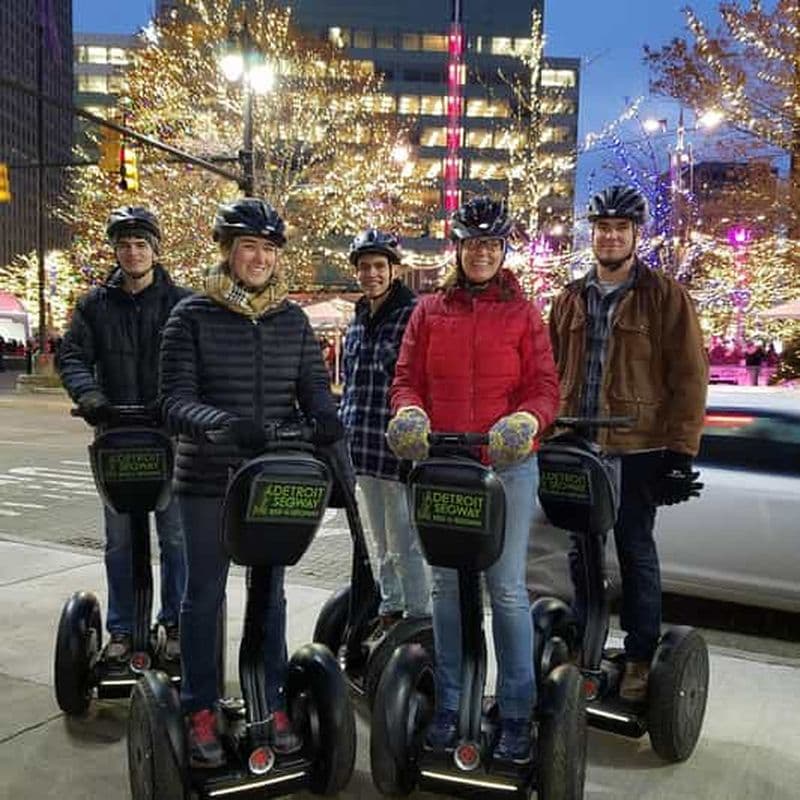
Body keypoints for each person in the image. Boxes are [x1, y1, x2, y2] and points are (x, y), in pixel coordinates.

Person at [159, 198, 344, 768]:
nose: (260, 258)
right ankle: (199, 708)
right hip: (209, 477)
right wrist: (224, 427)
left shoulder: (292, 320)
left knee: (272, 593)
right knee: (204, 595)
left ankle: (270, 699)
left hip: (272, 477)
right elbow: (172, 401)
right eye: (249, 247)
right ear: (228, 252)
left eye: (268, 249)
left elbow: (312, 385)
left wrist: (325, 414)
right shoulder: (190, 316)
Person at [387, 196, 559, 764]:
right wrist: (409, 413)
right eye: (471, 243)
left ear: (503, 250)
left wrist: (527, 419)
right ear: (457, 249)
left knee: (506, 590)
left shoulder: (525, 314)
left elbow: (544, 388)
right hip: (444, 467)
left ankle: (515, 711)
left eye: (491, 244)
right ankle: (450, 703)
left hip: (507, 466)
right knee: (444, 587)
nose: (481, 253)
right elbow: (406, 378)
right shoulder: (429, 310)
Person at [548, 184, 707, 703]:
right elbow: (551, 373)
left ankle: (640, 656)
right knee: (580, 550)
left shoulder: (665, 297)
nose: (611, 236)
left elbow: (689, 376)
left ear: (636, 235)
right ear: (591, 234)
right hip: (578, 442)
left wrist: (681, 453)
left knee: (635, 550)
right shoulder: (569, 298)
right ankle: (585, 644)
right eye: (603, 228)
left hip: (637, 447)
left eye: (621, 228)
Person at [57, 205, 189, 669]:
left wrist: (178, 403)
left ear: (155, 249)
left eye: (141, 244)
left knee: (175, 537)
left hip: (169, 439)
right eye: (125, 244)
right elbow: (71, 356)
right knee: (119, 541)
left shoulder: (180, 302)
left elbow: (195, 362)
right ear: (115, 250)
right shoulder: (95, 304)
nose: (133, 252)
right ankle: (121, 629)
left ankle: (174, 623)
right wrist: (90, 395)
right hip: (115, 437)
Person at [339, 229, 430, 629]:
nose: (371, 274)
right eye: (364, 267)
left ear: (394, 270)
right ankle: (390, 608)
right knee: (380, 543)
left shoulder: (413, 316)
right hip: (363, 449)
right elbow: (353, 384)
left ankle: (417, 614)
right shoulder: (358, 319)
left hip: (398, 453)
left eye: (379, 266)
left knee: (406, 541)